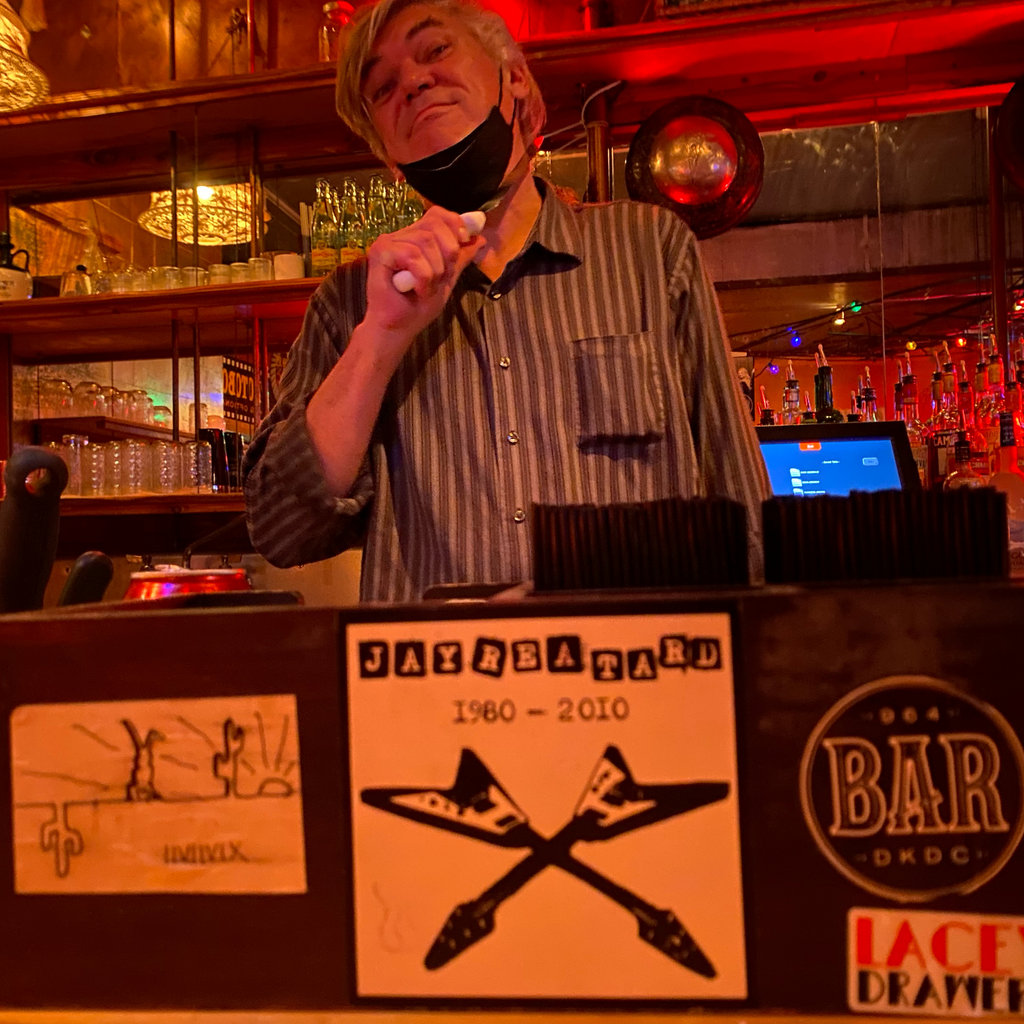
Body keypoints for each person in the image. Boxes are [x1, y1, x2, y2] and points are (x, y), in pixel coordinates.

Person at [242, 0, 770, 603]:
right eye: (383, 87)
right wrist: (381, 339)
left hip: (630, 657)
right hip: (435, 661)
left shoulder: (650, 249)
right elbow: (280, 529)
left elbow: (742, 505)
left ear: (514, 78)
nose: (412, 81)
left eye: (435, 49)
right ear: (388, 158)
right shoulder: (350, 304)